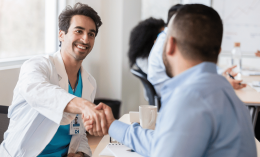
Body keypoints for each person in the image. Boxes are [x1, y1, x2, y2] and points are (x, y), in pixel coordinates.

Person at [85, 4, 257, 157]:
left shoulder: (190, 98)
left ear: (170, 45)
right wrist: (113, 125)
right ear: (218, 51)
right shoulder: (231, 98)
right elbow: (164, 144)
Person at [0, 3, 108, 157]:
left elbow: (79, 133)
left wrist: (81, 153)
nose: (85, 39)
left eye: (91, 34)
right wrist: (84, 105)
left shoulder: (89, 83)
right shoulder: (37, 65)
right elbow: (41, 92)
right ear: (61, 34)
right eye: (79, 31)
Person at [148, 4, 246, 97]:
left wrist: (220, 75)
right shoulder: (165, 42)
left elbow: (195, 68)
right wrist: (221, 81)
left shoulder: (169, 38)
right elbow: (188, 74)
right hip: (168, 89)